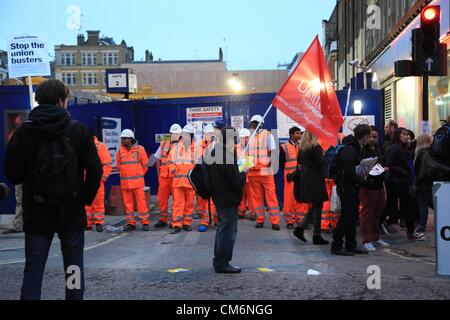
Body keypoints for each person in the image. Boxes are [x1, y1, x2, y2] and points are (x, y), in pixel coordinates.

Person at [4, 79, 102, 300]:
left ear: (39, 101)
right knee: (73, 268)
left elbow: (12, 174)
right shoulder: (78, 130)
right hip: (71, 211)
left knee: (33, 271)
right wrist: (83, 199)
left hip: (36, 212)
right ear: (61, 101)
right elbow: (95, 171)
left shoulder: (23, 133)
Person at [206, 127, 247, 273]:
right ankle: (222, 263)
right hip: (228, 198)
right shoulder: (226, 155)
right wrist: (244, 171)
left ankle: (218, 261)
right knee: (228, 233)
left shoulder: (214, 152)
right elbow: (236, 180)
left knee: (222, 230)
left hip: (219, 197)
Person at [331, 124, 372, 256]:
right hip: (347, 187)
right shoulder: (351, 150)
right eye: (369, 136)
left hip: (349, 186)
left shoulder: (353, 147)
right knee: (346, 216)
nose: (370, 139)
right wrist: (360, 179)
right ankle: (336, 245)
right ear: (365, 136)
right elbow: (349, 172)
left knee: (352, 216)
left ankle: (350, 245)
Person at [384, 128, 425, 241]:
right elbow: (389, 164)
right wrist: (404, 172)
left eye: (407, 135)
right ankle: (386, 223)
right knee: (401, 206)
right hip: (396, 182)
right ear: (398, 135)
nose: (406, 137)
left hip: (403, 181)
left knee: (406, 207)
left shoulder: (402, 148)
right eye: (404, 134)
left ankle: (409, 231)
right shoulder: (394, 148)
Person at [292, 131, 329, 245]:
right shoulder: (316, 147)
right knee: (318, 204)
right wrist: (325, 155)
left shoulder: (302, 147)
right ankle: (307, 231)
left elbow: (299, 162)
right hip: (315, 178)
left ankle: (311, 233)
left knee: (316, 204)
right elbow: (320, 163)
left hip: (305, 177)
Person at [246, 115, 281, 231]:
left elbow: (273, 153)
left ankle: (275, 222)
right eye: (251, 123)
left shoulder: (268, 135)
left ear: (260, 124)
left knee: (271, 198)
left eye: (253, 123)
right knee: (257, 199)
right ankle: (260, 219)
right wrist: (243, 171)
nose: (251, 125)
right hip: (253, 174)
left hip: (265, 173)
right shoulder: (249, 138)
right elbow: (247, 156)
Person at [359, 126, 390, 252]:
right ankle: (366, 240)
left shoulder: (379, 148)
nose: (372, 139)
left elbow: (384, 163)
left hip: (379, 185)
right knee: (367, 214)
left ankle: (375, 237)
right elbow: (362, 169)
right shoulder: (362, 151)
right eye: (370, 136)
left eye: (375, 137)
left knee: (378, 212)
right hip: (367, 186)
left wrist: (384, 169)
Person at [116, 129, 150, 232]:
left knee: (141, 203)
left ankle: (145, 222)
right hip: (125, 183)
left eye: (124, 138)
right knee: (128, 204)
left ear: (130, 139)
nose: (122, 140)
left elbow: (145, 165)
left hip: (138, 183)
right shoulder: (119, 151)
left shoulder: (140, 149)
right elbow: (119, 166)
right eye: (122, 138)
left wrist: (138, 175)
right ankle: (131, 223)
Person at [168, 124, 199, 234]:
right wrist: (172, 168)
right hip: (178, 181)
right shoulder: (175, 147)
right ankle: (177, 224)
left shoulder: (196, 148)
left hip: (190, 182)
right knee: (178, 204)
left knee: (189, 204)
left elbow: (199, 165)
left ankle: (187, 223)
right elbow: (170, 161)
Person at [154, 124, 182, 229]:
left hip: (175, 177)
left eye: (177, 134)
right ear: (170, 134)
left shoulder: (182, 145)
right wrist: (158, 174)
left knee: (177, 200)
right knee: (162, 199)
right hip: (164, 177)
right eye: (173, 133)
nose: (175, 135)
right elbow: (158, 159)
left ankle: (175, 221)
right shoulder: (163, 144)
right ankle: (162, 219)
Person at [84, 132, 112, 232]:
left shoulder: (100, 146)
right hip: (85, 180)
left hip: (97, 180)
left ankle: (99, 223)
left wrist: (102, 178)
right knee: (87, 203)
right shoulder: (83, 146)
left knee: (98, 202)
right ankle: (88, 223)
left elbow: (107, 164)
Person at [279, 127, 304, 229]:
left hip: (301, 176)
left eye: (300, 133)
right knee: (289, 199)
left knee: (300, 199)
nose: (299, 135)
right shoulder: (284, 147)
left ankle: (300, 219)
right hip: (290, 177)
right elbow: (281, 164)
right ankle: (290, 221)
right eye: (297, 133)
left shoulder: (302, 146)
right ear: (291, 135)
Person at [197, 125, 218, 232]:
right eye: (207, 133)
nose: (209, 135)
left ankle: (205, 222)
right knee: (203, 199)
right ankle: (211, 219)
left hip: (214, 177)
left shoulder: (216, 145)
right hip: (203, 176)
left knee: (213, 201)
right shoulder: (198, 145)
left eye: (211, 133)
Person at [413, 133, 434, 233]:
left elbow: (421, 171)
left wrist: (417, 181)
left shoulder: (422, 152)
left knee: (423, 204)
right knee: (429, 203)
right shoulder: (427, 152)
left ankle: (421, 225)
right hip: (427, 183)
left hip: (423, 183)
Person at [237, 128, 252, 219]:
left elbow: (252, 160)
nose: (244, 139)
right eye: (242, 138)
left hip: (250, 175)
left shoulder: (252, 147)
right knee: (241, 195)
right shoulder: (236, 147)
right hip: (240, 175)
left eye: (246, 137)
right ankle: (241, 211)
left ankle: (252, 212)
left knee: (251, 196)